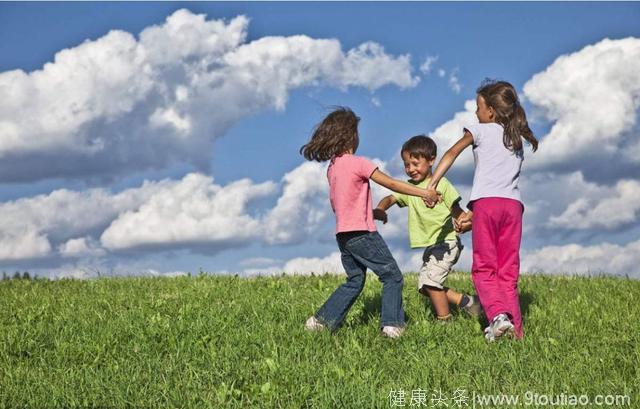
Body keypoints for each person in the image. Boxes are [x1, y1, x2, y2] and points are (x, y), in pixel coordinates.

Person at [301, 107, 434, 338]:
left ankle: (320, 322)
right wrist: (423, 193)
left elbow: (343, 203)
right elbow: (391, 184)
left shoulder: (333, 168)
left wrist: (372, 212)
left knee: (355, 280)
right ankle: (392, 325)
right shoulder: (358, 162)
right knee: (392, 276)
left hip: (343, 235)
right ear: (351, 135)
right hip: (362, 233)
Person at [424, 80, 538, 341]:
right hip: (512, 207)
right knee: (507, 272)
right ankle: (517, 334)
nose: (476, 113)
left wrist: (432, 184)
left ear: (491, 112)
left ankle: (498, 317)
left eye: (478, 107)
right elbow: (499, 184)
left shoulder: (481, 130)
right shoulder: (516, 139)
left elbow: (452, 152)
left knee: (484, 270)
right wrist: (473, 213)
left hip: (487, 206)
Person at [373, 135, 481, 321]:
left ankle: (444, 320)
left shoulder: (442, 185)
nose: (410, 169)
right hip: (432, 246)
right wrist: (381, 209)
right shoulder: (410, 188)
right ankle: (468, 302)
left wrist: (465, 224)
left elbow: (458, 212)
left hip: (447, 243)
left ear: (432, 160)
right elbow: (391, 198)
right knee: (425, 287)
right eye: (407, 165)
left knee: (431, 283)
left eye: (415, 163)